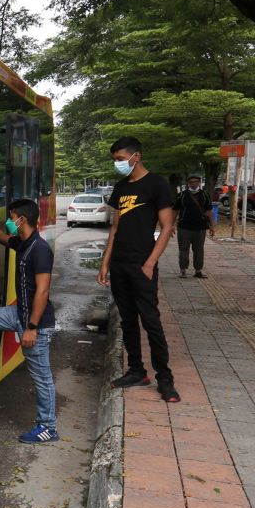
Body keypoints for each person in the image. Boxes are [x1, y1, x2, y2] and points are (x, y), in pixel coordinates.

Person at [0, 198, 59, 444]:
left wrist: (31, 327)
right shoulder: (22, 242)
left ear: (22, 219)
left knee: (42, 377)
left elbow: (42, 291)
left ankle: (48, 427)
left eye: (11, 216)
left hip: (35, 323)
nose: (8, 221)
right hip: (17, 314)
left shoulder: (40, 249)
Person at [98, 136, 179, 403]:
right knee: (127, 320)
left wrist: (150, 263)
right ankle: (136, 370)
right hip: (120, 264)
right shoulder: (121, 187)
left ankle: (164, 379)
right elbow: (115, 227)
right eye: (115, 160)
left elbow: (167, 227)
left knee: (151, 321)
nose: (118, 164)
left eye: (120, 159)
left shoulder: (157, 184)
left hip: (142, 264)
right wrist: (105, 262)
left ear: (136, 156)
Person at [173, 173, 215, 278]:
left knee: (199, 249)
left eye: (196, 182)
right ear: (188, 183)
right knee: (183, 249)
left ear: (199, 183)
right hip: (184, 227)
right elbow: (175, 210)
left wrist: (212, 225)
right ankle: (183, 270)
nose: (193, 184)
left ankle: (198, 270)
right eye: (191, 182)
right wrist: (172, 224)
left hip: (200, 227)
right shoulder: (182, 195)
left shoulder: (205, 194)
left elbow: (209, 210)